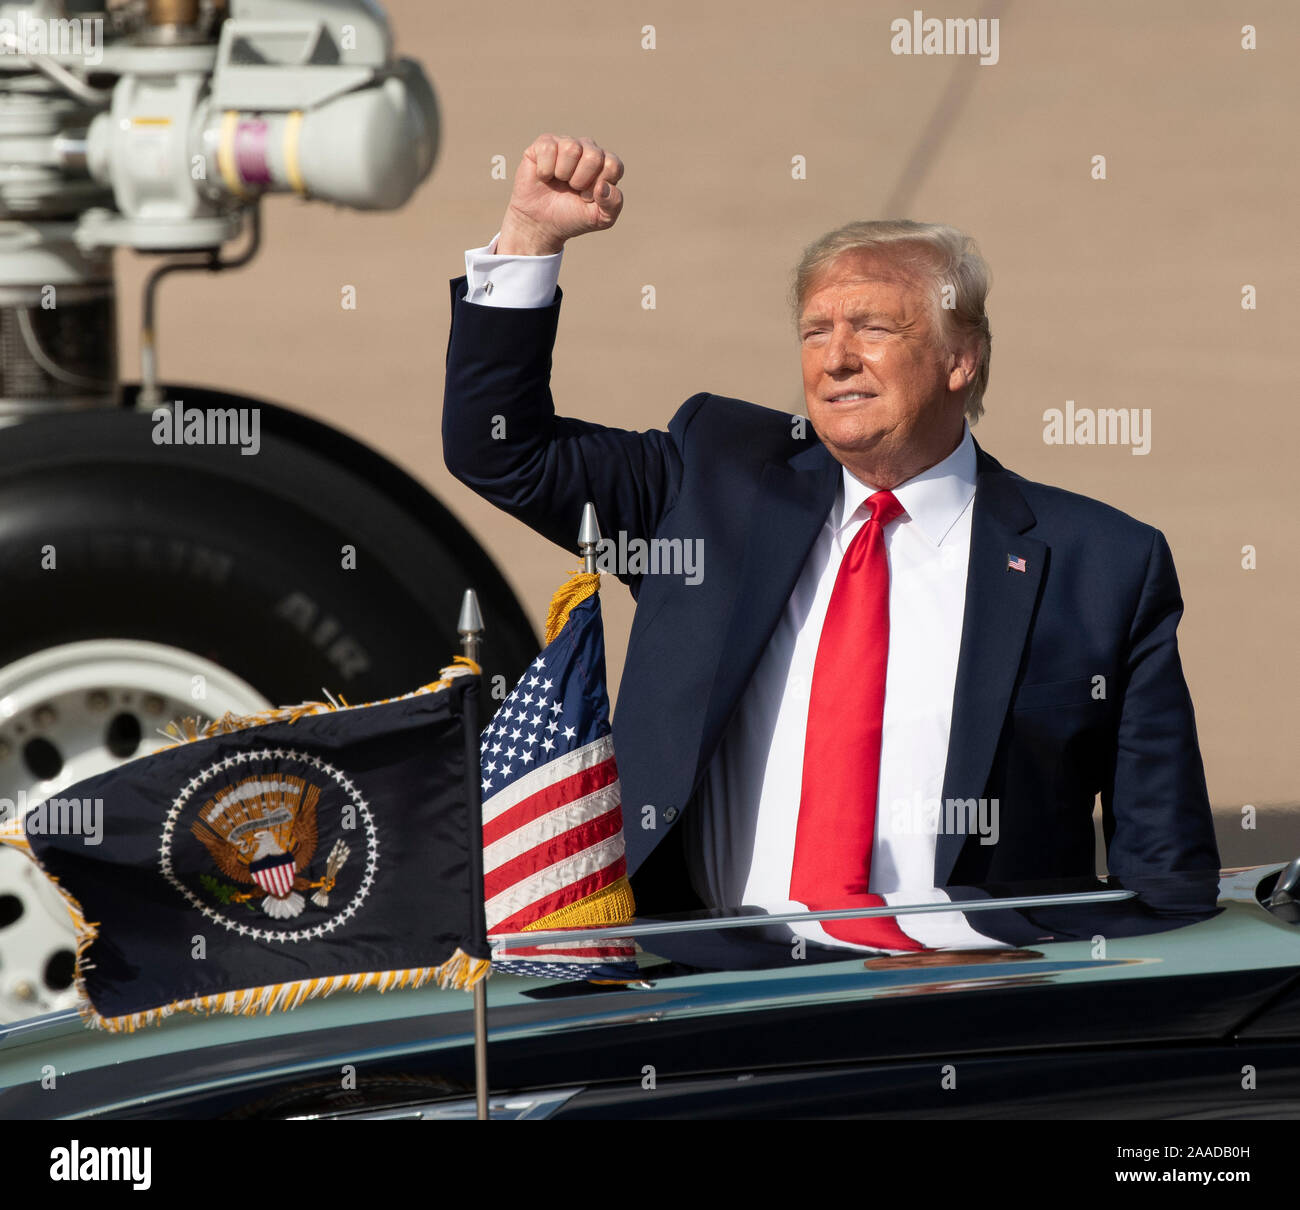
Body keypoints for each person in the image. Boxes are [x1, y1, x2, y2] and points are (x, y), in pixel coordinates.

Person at [442, 133, 1220, 953]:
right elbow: (502, 450)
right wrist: (530, 240)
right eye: (816, 332)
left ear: (963, 358)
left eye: (874, 327)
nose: (837, 357)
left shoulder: (1102, 565)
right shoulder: (711, 485)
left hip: (970, 999)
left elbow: (1165, 876)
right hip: (715, 988)